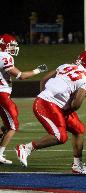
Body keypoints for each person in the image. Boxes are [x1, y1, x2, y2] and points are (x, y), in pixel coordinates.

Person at [15, 51, 86, 174]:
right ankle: (26, 148)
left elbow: (44, 79)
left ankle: (77, 165)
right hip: (48, 105)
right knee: (60, 136)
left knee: (79, 128)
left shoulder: (65, 66)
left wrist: (44, 95)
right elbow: (76, 105)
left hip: (49, 102)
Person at [0, 33, 48, 164]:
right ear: (4, 45)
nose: (13, 48)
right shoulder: (5, 57)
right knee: (13, 125)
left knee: (7, 123)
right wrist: (38, 70)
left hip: (2, 93)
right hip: (2, 94)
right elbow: (20, 76)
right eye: (11, 46)